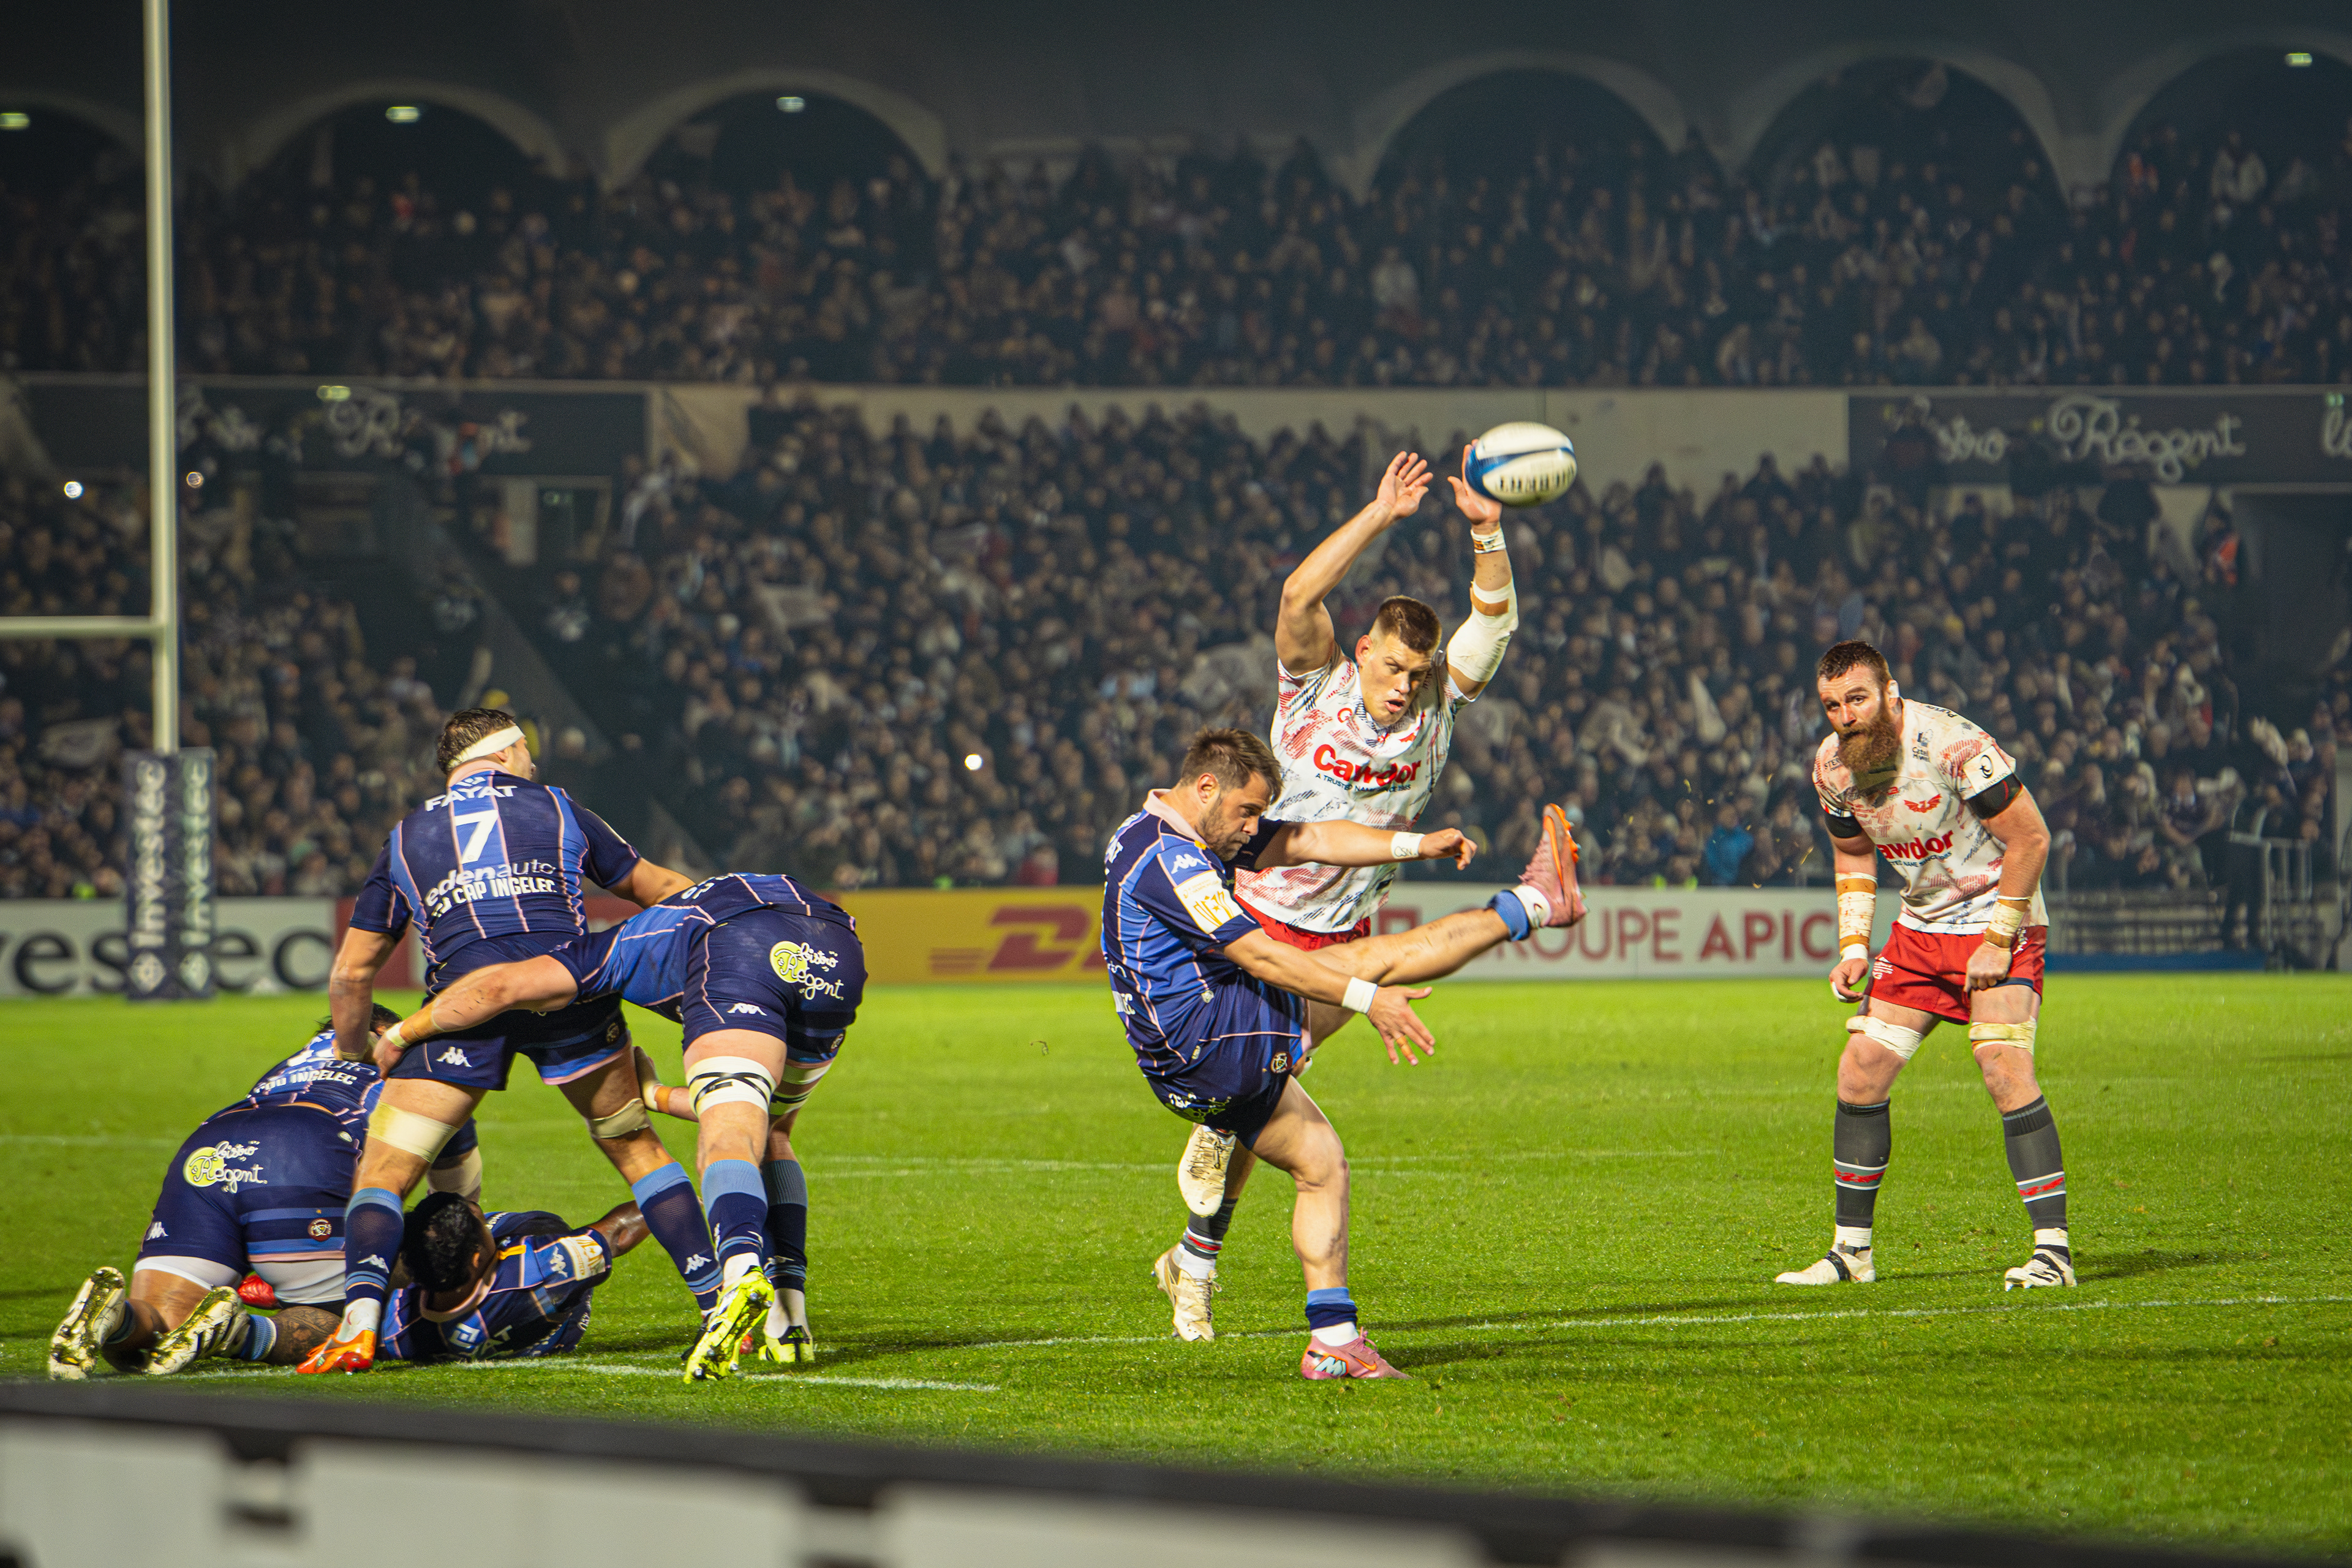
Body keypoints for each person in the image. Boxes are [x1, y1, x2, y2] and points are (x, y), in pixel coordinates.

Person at [1159, 450, 1583, 1341]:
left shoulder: (1438, 706)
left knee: (1257, 1105)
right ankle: (1197, 1265)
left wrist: (1487, 532)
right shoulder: (1313, 685)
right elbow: (1296, 596)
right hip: (1256, 918)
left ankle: (1192, 1262)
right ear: (1362, 651)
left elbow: (1495, 622)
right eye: (1392, 667)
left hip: (1340, 929)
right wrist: (1380, 515)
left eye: (1417, 673)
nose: (1403, 686)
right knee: (1255, 1103)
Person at [1106, 728, 1581, 1377]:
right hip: (1215, 1038)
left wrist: (1416, 845)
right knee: (1374, 960)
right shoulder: (1174, 859)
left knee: (1322, 1163)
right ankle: (1536, 903)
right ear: (1207, 787)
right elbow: (1261, 957)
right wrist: (1367, 1000)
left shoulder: (1154, 831)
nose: (1252, 827)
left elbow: (1309, 840)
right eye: (1247, 811)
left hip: (1183, 1054)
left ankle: (1327, 1336)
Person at [299, 708, 709, 1375]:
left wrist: (352, 1055)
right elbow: (658, 889)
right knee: (636, 1147)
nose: (533, 764)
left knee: (383, 1177)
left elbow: (351, 973)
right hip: (567, 994)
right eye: (527, 752)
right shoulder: (557, 806)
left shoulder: (405, 836)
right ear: (506, 752)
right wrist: (719, 927)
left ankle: (358, 1326)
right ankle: (719, 1302)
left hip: (461, 1013)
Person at [361, 872, 863, 1384]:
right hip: (834, 948)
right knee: (771, 1131)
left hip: (741, 944)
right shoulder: (672, 916)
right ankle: (789, 1316)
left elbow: (497, 988)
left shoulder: (600, 953)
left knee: (730, 1131)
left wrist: (401, 1033)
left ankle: (738, 1272)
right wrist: (656, 1096)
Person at [1777, 639, 2074, 1292]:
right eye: (1832, 705)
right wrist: (1854, 946)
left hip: (1999, 916)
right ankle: (1852, 1254)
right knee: (1860, 1071)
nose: (1846, 716)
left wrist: (1998, 938)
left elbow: (2032, 838)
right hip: (1921, 929)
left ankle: (2054, 1254)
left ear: (1890, 693)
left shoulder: (1953, 747)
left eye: (1858, 698)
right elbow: (1854, 854)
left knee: (2003, 1066)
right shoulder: (1832, 767)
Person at [47, 1008, 480, 1379]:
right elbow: (452, 1209)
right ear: (387, 1031)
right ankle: (237, 1333)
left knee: (162, 1322)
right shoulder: (417, 1065)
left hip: (213, 1147)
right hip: (307, 1147)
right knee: (352, 1315)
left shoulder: (292, 1063)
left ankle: (116, 1318)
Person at [377, 1192, 649, 1365]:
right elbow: (620, 1232)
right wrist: (668, 1192)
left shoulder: (398, 1330)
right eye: (479, 1222)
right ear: (476, 1258)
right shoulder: (538, 1267)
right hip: (554, 1318)